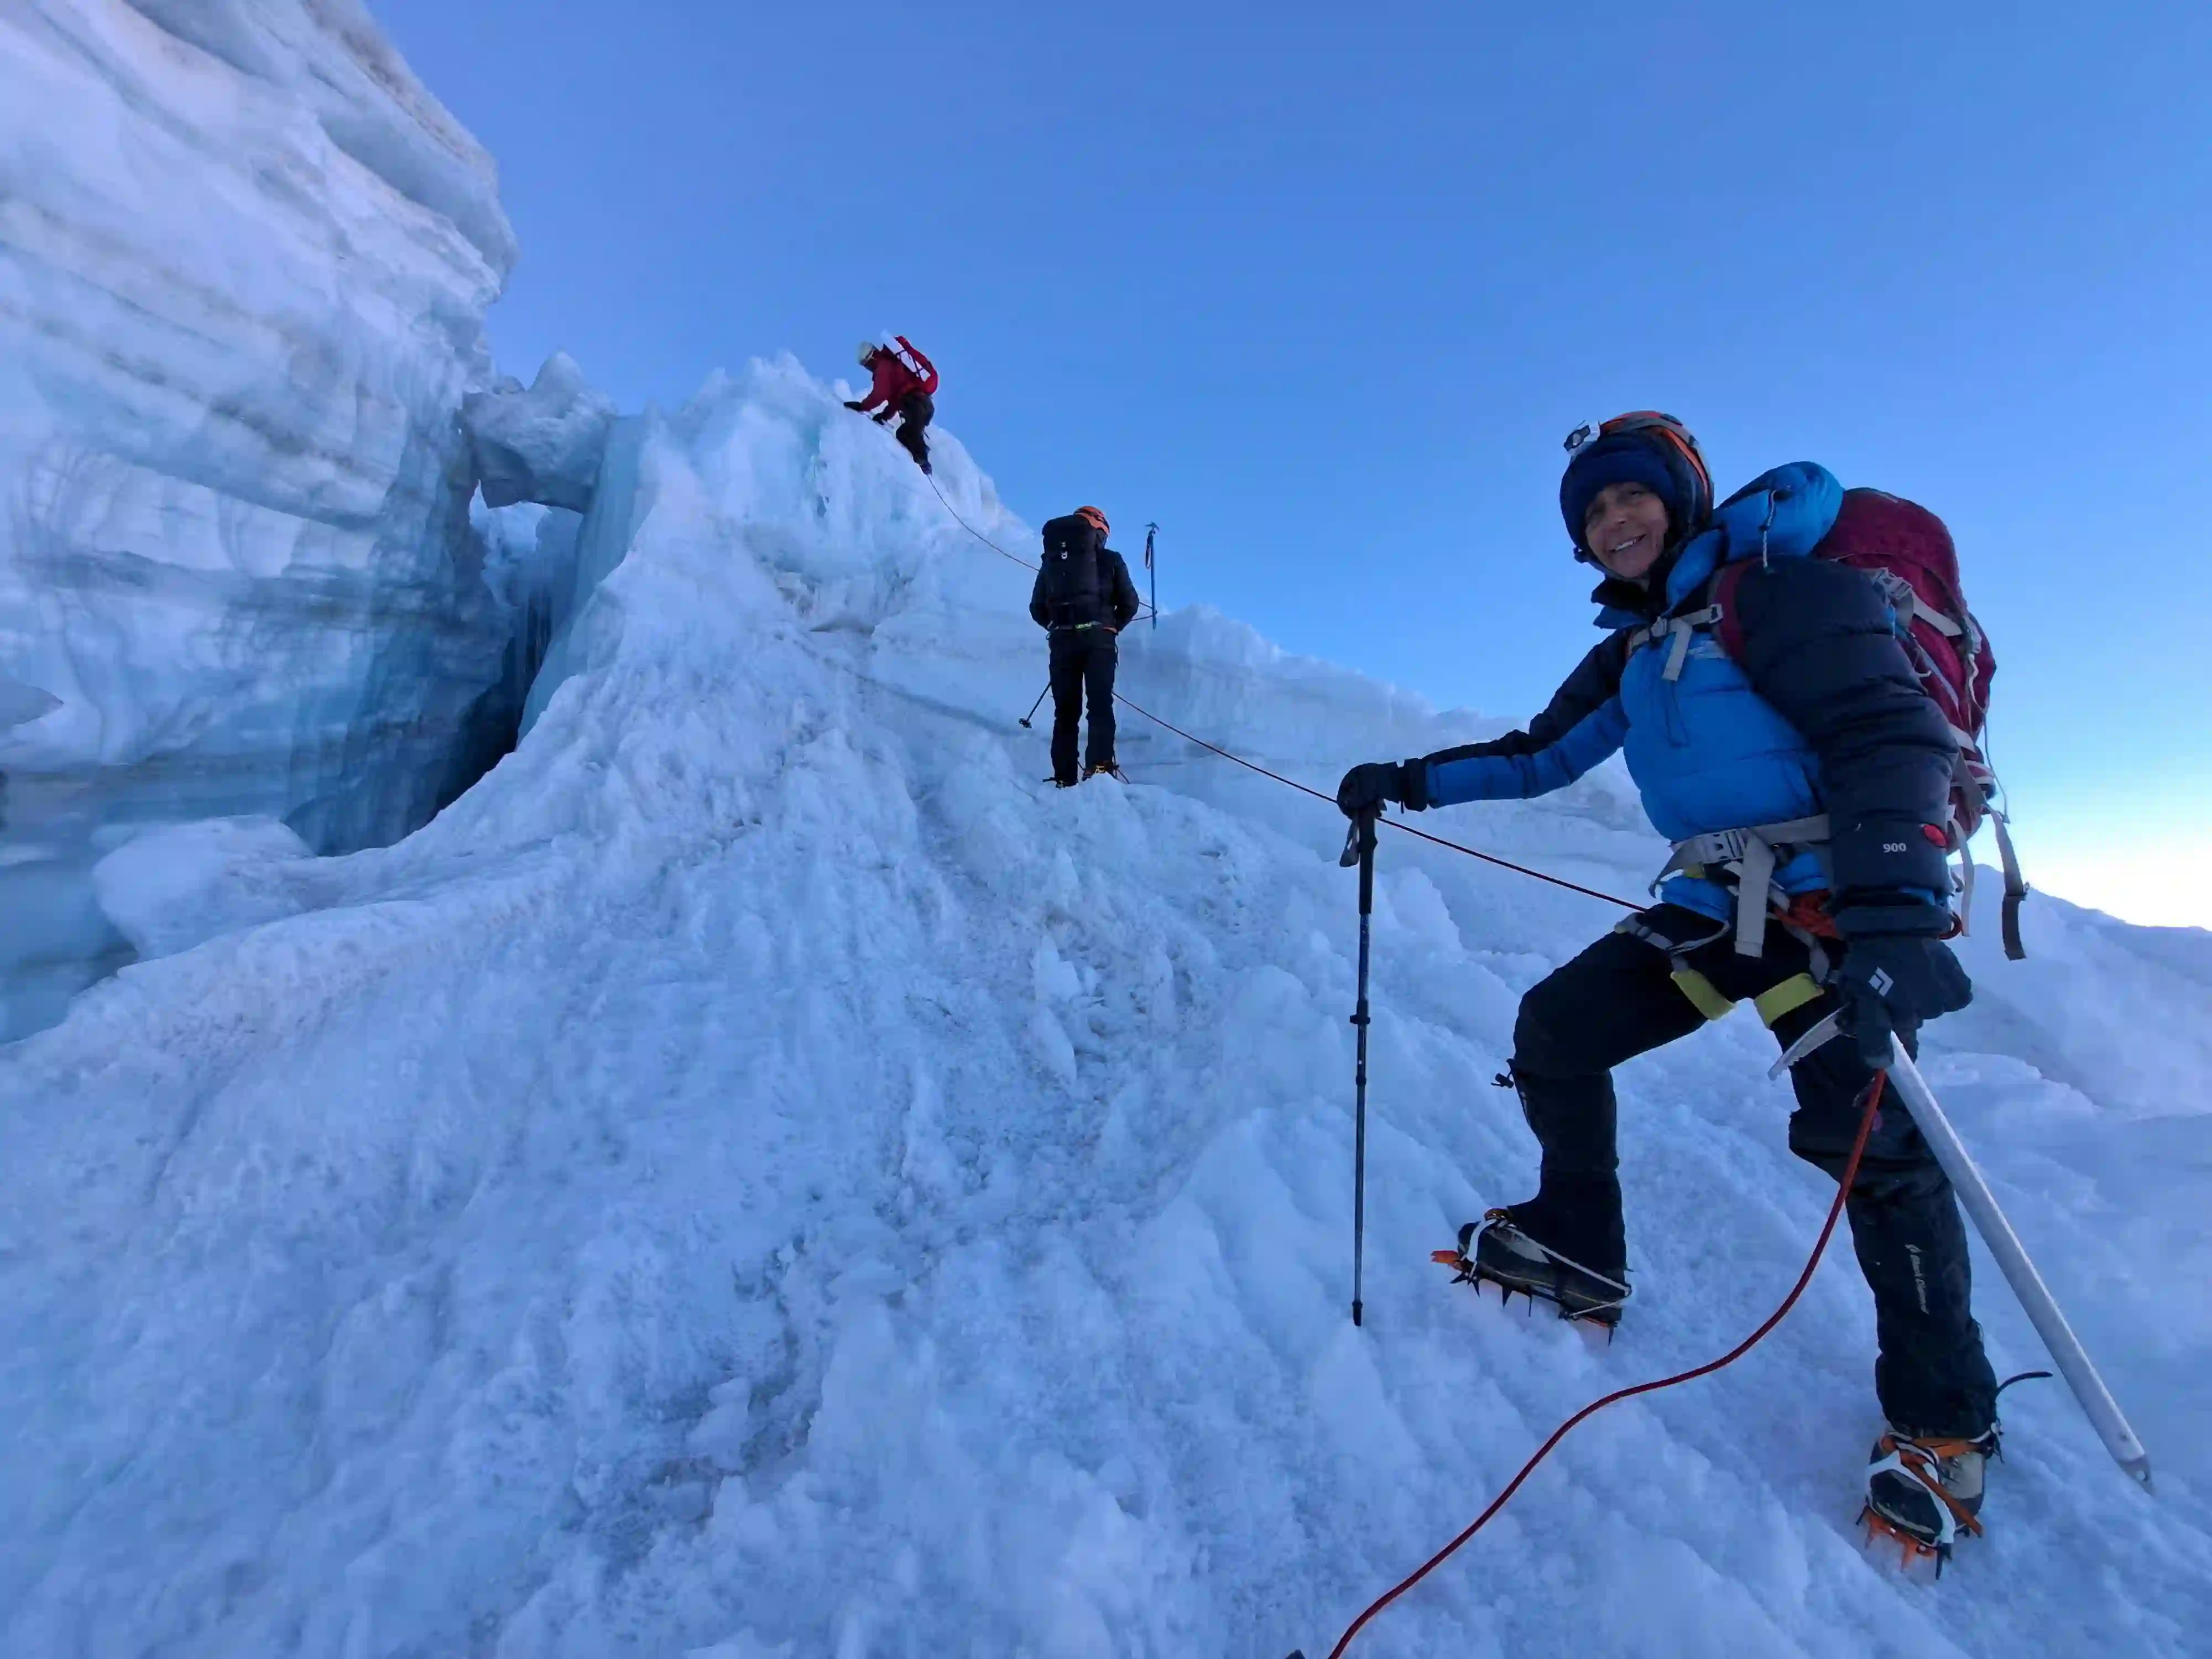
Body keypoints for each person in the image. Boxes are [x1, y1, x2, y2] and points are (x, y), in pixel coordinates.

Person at [1335, 413, 1995, 1557]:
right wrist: (1403, 780)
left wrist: (1892, 913)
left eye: (1628, 498)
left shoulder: (1773, 591)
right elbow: (1538, 753)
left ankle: (1943, 1426)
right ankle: (1578, 1244)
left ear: (1679, 502)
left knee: (1874, 1151)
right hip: (1714, 908)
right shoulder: (1634, 653)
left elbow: (1884, 728)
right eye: (1591, 514)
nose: (1613, 521)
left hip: (1828, 908)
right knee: (1558, 1028)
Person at [1030, 505, 1141, 786]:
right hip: (1098, 640)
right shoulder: (1111, 560)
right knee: (1100, 705)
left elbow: (1037, 608)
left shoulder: (1052, 563)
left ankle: (1064, 777)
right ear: (1100, 532)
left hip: (1062, 642)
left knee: (1066, 712)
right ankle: (1099, 769)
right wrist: (1112, 626)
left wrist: (1057, 628)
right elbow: (1130, 603)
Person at [845, 337, 938, 473]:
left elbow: (879, 395)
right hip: (924, 404)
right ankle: (921, 457)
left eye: (868, 365)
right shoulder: (893, 367)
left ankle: (923, 461)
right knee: (903, 433)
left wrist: (862, 407)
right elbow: (894, 401)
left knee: (910, 434)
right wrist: (885, 416)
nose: (869, 369)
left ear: (871, 359)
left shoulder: (883, 368)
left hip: (914, 404)